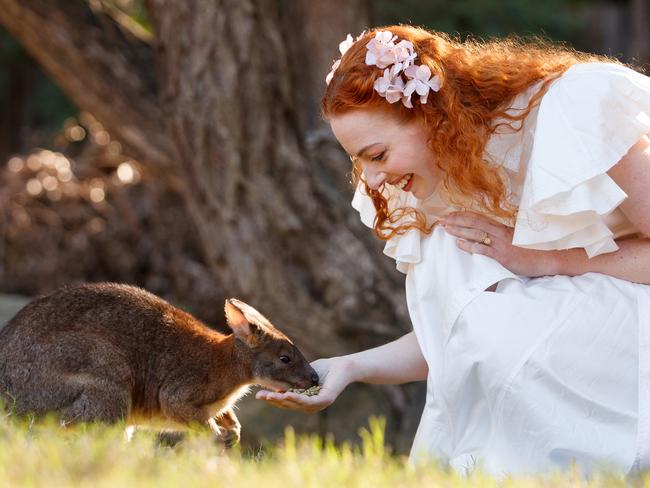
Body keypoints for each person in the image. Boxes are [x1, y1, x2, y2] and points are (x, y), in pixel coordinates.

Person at [256, 25, 650, 476]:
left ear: (434, 116)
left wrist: (549, 262)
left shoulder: (568, 113)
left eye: (377, 155)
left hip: (635, 328)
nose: (372, 179)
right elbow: (457, 336)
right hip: (577, 337)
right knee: (449, 244)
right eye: (359, 162)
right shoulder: (435, 192)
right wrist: (348, 367)